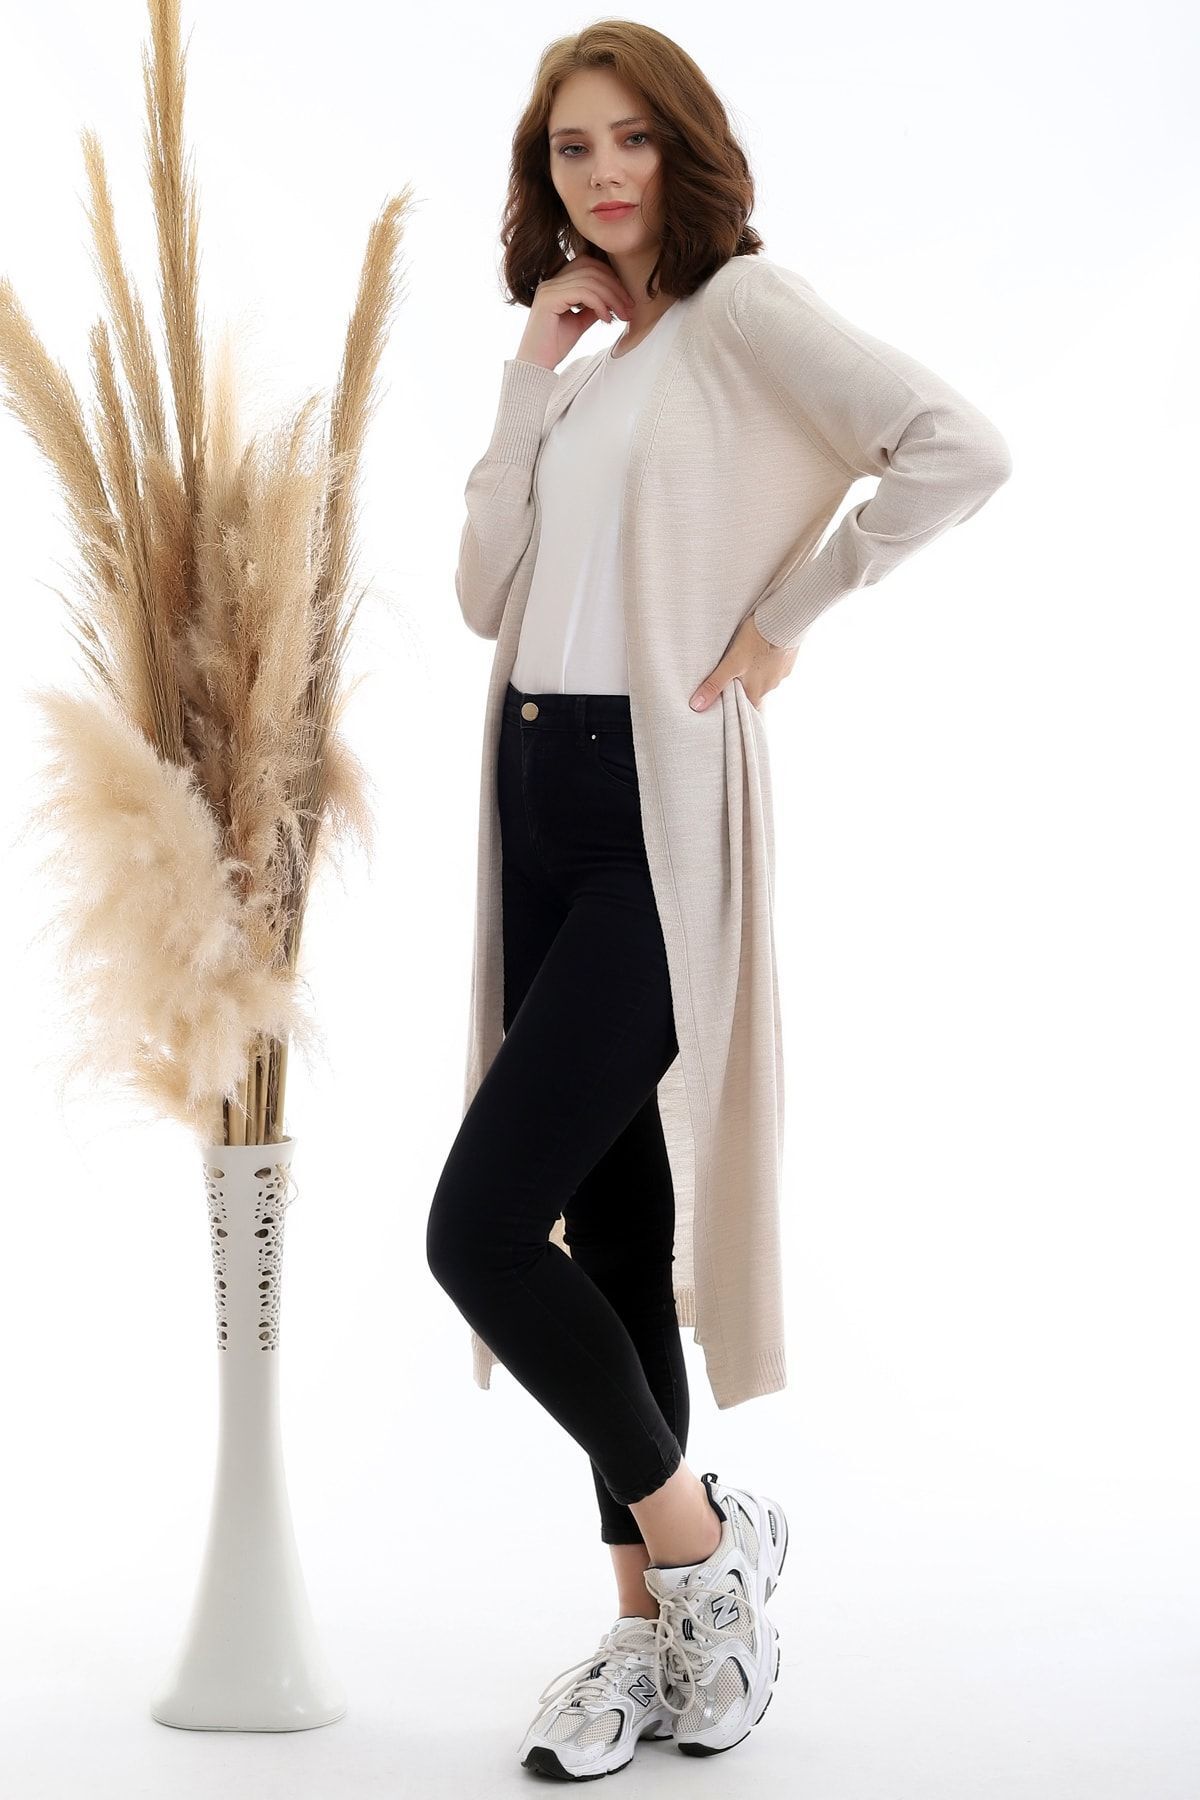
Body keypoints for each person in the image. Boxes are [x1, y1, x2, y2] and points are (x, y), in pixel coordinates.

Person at [426, 20, 1012, 1781]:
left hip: (649, 820)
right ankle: (647, 1644)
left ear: (684, 148)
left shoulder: (744, 313)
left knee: (478, 1233)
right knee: (609, 1239)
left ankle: (703, 1556)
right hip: (535, 800)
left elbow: (955, 446)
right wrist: (529, 375)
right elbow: (482, 594)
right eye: (570, 149)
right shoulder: (591, 360)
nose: (602, 174)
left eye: (630, 139)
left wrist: (787, 618)